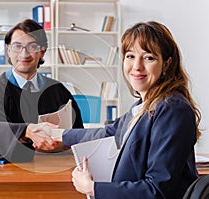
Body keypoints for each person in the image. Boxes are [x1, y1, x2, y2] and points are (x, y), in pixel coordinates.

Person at [36, 21, 202, 198]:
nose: (137, 66)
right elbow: (109, 132)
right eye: (130, 56)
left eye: (149, 57)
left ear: (167, 64)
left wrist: (92, 188)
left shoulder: (172, 108)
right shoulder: (142, 106)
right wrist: (56, 134)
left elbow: (157, 190)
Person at [0, 19, 83, 163]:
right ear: (9, 50)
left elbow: (77, 134)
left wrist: (63, 141)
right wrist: (26, 130)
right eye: (17, 46)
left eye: (32, 46)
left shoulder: (57, 91)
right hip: (6, 172)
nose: (24, 53)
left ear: (42, 52)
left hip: (52, 169)